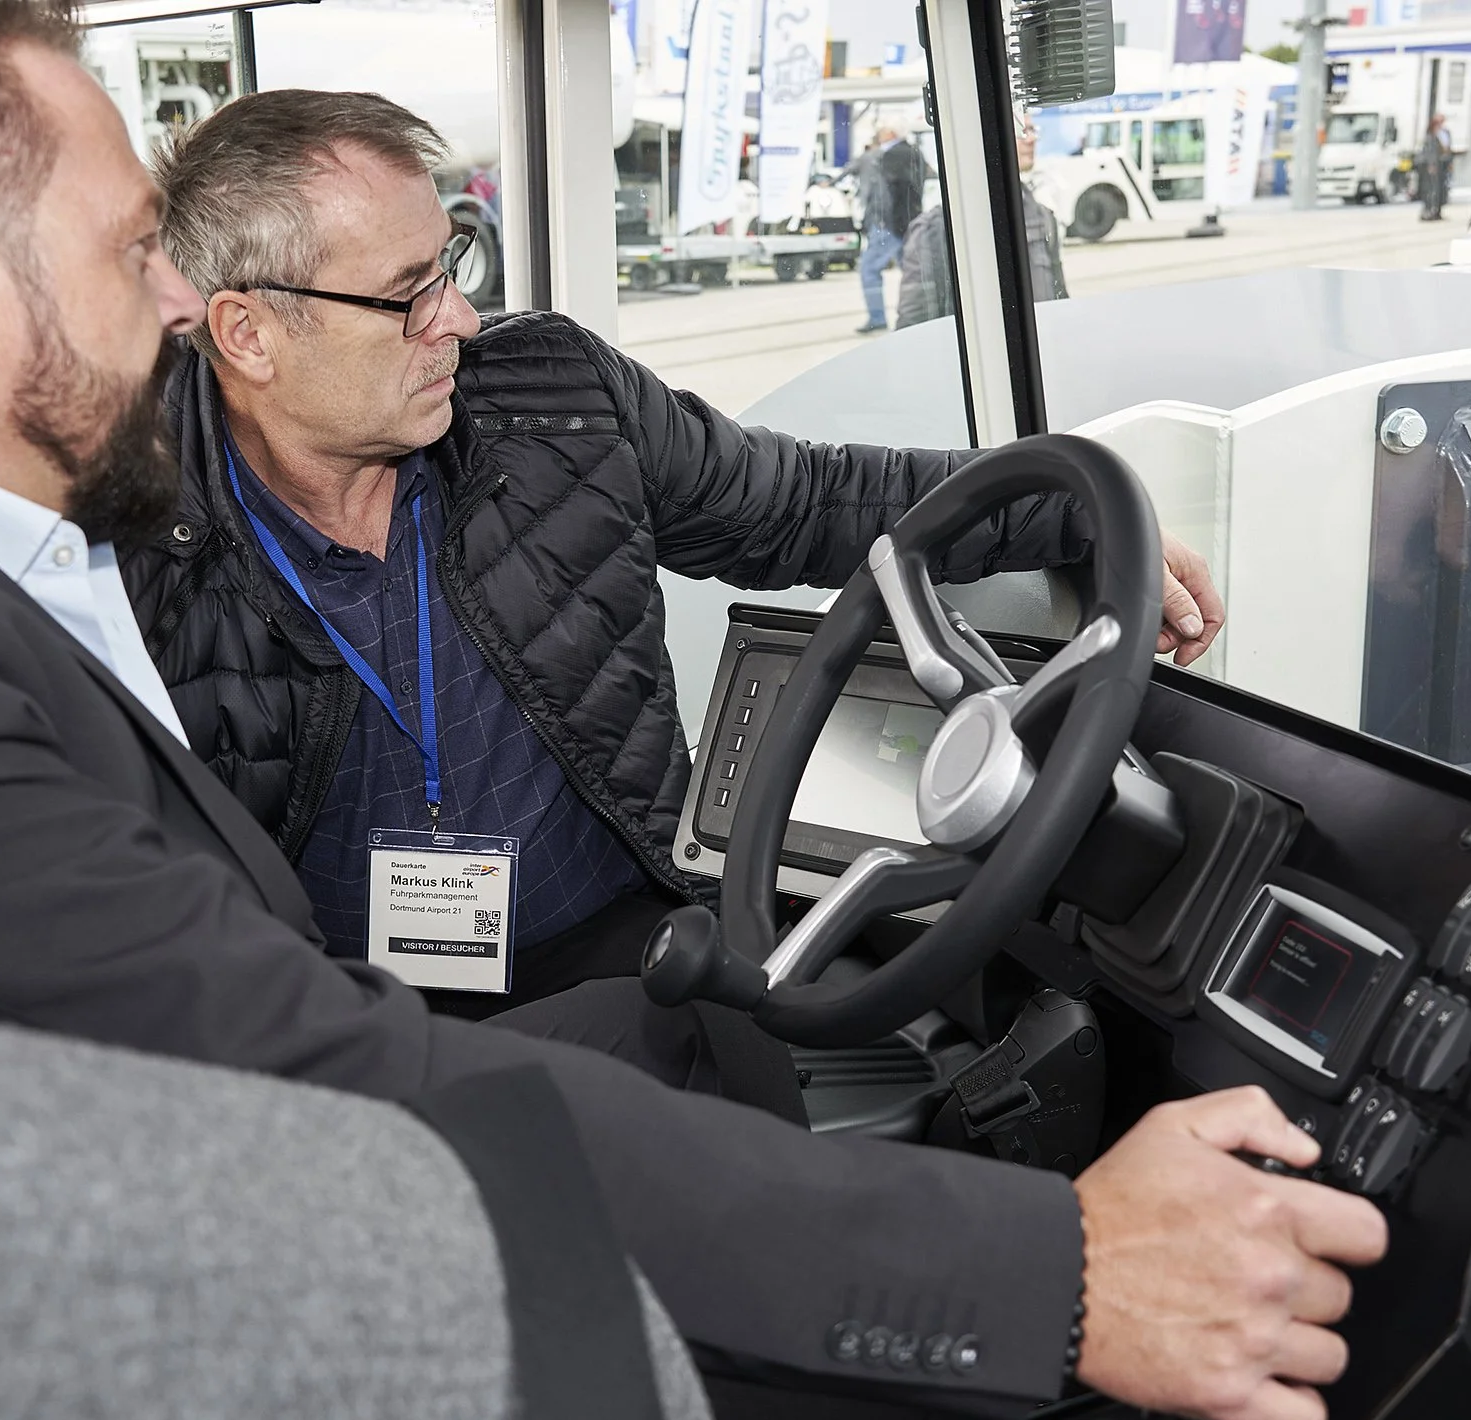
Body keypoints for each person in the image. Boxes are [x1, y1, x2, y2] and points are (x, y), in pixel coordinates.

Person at [0, 4, 1380, 1420]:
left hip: (285, 1129)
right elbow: (320, 1092)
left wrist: (1069, 514)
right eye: (123, 252)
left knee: (681, 1033)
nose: (160, 303)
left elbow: (797, 503)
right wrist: (1054, 1273)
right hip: (195, 1302)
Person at [132, 91, 1164, 1020]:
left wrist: (1070, 508)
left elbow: (798, 503)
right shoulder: (117, 544)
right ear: (249, 335)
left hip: (635, 952)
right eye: (409, 294)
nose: (460, 316)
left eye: (448, 266)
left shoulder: (555, 400)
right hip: (356, 1025)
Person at [899, 111, 1064, 326]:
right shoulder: (937, 229)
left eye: (1031, 130)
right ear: (984, 139)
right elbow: (915, 325)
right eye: (1021, 131)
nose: (1030, 139)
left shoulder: (1042, 216)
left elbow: (1059, 299)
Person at [854, 124, 925, 333]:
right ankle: (921, 315)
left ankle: (877, 317)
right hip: (908, 222)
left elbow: (885, 194)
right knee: (914, 272)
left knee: (869, 269)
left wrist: (880, 222)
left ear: (891, 133)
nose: (878, 135)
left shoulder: (888, 155)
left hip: (889, 225)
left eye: (881, 131)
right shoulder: (914, 152)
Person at [1416, 113, 1455, 221]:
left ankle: (1438, 210)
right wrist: (1431, 164)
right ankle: (1428, 210)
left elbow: (1449, 149)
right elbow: (1429, 151)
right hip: (1434, 164)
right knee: (1430, 189)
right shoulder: (1431, 135)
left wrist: (1450, 163)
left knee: (1441, 189)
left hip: (1443, 164)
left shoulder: (1445, 133)